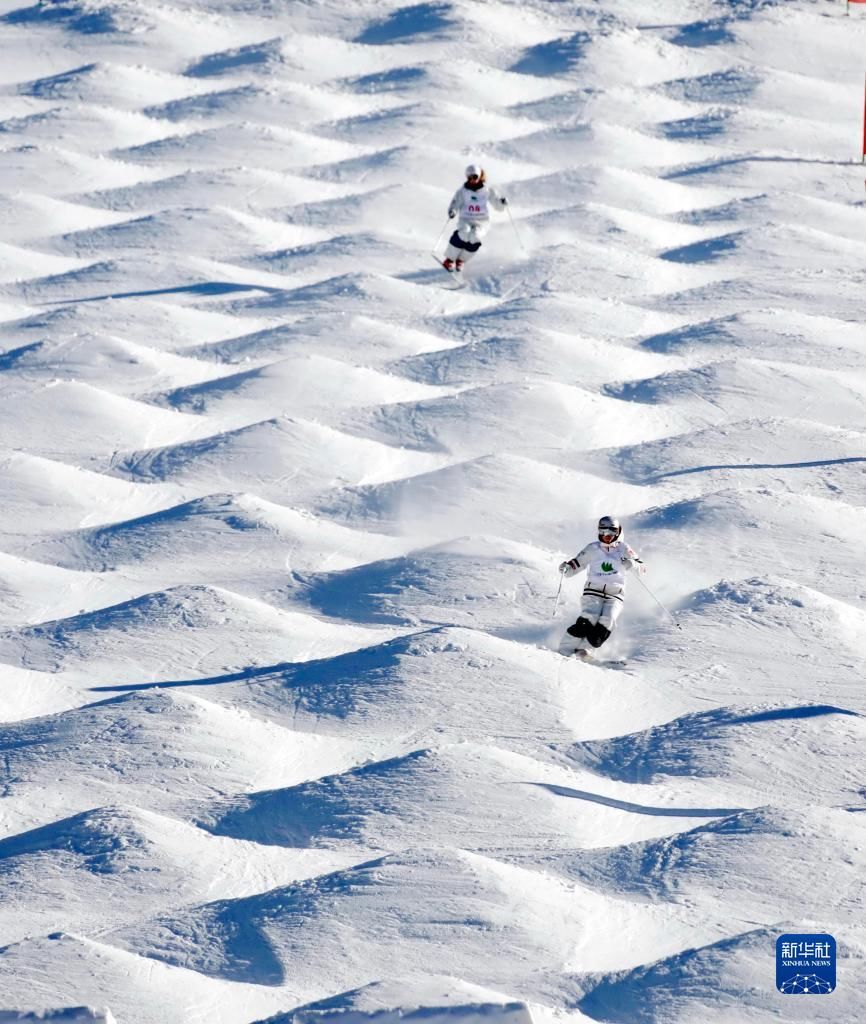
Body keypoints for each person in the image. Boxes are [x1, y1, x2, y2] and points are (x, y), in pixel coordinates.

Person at [557, 515, 645, 658]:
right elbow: (577, 564)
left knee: (608, 620)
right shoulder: (593, 548)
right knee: (589, 618)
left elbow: (642, 567)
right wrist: (566, 569)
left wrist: (632, 564)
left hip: (615, 593)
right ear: (599, 531)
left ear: (618, 532)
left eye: (612, 533)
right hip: (593, 590)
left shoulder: (624, 548)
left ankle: (585, 650)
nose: (607, 536)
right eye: (603, 532)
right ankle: (565, 649)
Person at [442, 164, 508, 273]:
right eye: (469, 178)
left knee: (475, 238)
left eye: (475, 177)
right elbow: (455, 202)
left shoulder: (487, 190)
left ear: (479, 176)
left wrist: (502, 203)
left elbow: (498, 206)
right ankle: (449, 260)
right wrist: (452, 210)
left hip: (482, 221)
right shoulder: (463, 191)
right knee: (464, 233)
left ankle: (461, 260)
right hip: (466, 218)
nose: (472, 180)